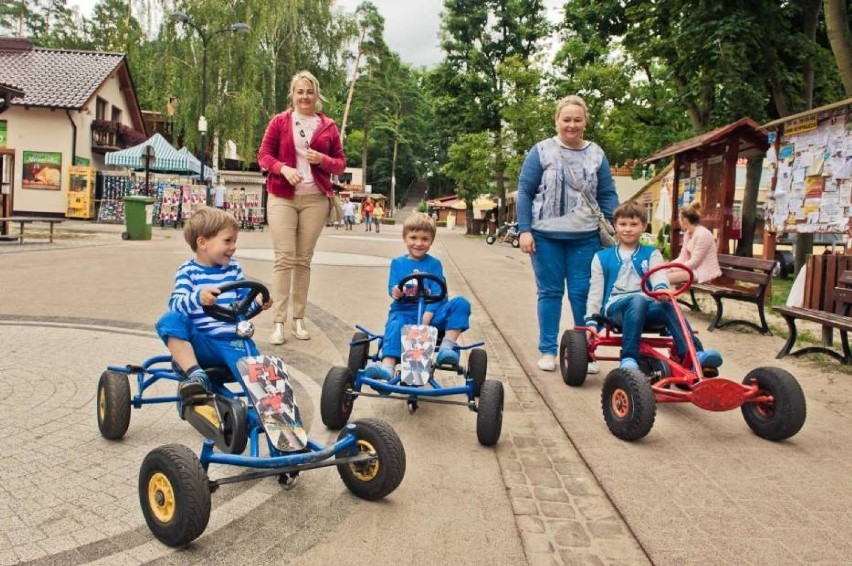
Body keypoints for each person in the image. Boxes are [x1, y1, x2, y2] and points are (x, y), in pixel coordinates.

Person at [516, 94, 619, 373]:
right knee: (549, 292)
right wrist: (524, 230)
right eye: (566, 119)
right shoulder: (541, 151)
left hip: (585, 236)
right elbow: (525, 192)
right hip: (545, 236)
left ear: (585, 121)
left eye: (577, 119)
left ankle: (585, 351)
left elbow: (607, 194)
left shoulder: (597, 153)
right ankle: (548, 350)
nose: (571, 125)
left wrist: (618, 226)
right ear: (557, 121)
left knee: (582, 293)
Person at [258, 70, 345, 345]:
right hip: (282, 195)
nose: (305, 96)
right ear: (292, 94)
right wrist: (283, 168)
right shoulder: (280, 122)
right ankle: (279, 322)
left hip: (315, 198)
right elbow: (264, 156)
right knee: (285, 257)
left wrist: (322, 160)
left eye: (309, 91)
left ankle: (299, 318)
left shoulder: (328, 126)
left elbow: (340, 163)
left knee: (303, 260)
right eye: (300, 91)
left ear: (316, 94)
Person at [584, 201, 722, 373]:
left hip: (646, 306)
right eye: (623, 224)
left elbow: (658, 276)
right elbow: (596, 291)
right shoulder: (602, 257)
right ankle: (629, 358)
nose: (628, 229)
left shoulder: (651, 253)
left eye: (634, 224)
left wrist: (661, 289)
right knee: (636, 299)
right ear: (615, 226)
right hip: (616, 309)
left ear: (643, 226)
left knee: (666, 304)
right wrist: (591, 321)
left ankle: (694, 356)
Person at [155, 207, 272, 402]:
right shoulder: (188, 271)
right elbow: (175, 304)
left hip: (231, 341)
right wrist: (197, 297)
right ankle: (195, 375)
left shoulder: (233, 268)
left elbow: (242, 309)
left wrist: (259, 303)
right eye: (227, 241)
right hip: (200, 344)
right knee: (170, 319)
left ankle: (267, 410)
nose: (233, 247)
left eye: (235, 241)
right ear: (202, 243)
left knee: (259, 383)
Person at [364, 212, 472, 380]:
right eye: (413, 238)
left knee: (461, 303)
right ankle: (387, 368)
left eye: (424, 239)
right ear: (405, 238)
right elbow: (392, 288)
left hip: (433, 314)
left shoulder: (434, 264)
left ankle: (446, 348)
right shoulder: (398, 263)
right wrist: (396, 292)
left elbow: (438, 293)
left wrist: (425, 321)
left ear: (431, 241)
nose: (418, 243)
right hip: (405, 312)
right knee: (394, 325)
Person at [668, 202, 722, 285]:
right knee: (660, 274)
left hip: (703, 272)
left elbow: (695, 262)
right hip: (693, 270)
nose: (678, 221)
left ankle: (660, 297)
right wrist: (668, 266)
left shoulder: (703, 234)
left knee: (664, 278)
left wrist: (674, 269)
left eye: (679, 218)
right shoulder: (688, 233)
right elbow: (683, 258)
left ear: (685, 220)